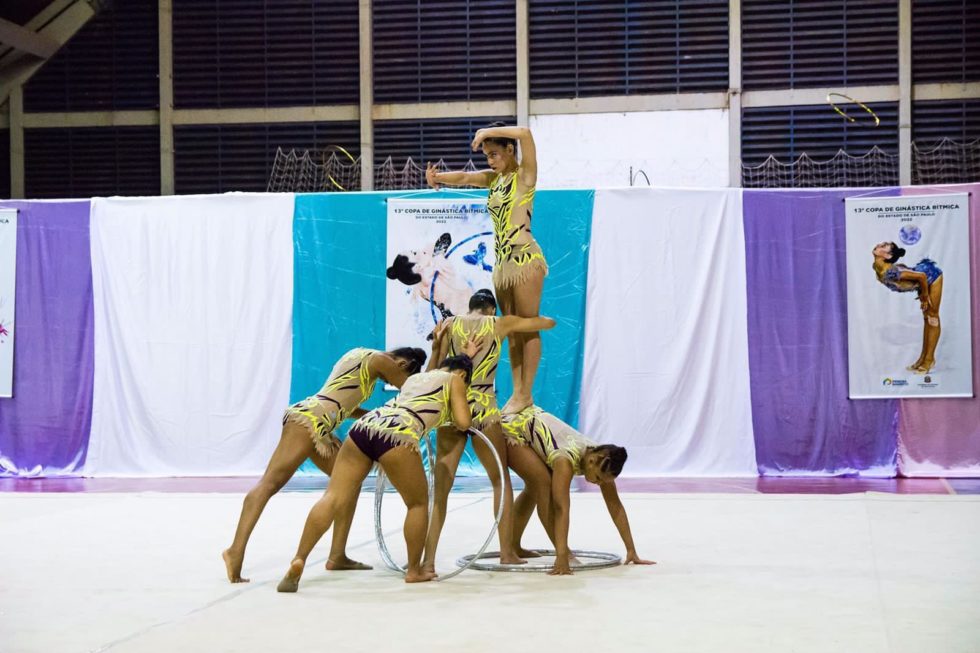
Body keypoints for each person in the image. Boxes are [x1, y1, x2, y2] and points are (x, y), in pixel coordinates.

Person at [222, 346, 426, 583]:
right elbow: (413, 390)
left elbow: (341, 402)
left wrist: (371, 416)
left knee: (350, 482)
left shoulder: (358, 354)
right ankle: (235, 550)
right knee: (270, 484)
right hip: (309, 420)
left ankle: (337, 555)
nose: (387, 377)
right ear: (402, 363)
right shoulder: (381, 360)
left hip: (318, 424)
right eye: (402, 370)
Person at [277, 353, 476, 591]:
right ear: (463, 374)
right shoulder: (454, 380)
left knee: (332, 497)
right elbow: (464, 422)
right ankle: (414, 570)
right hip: (399, 432)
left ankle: (299, 557)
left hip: (365, 427)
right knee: (418, 504)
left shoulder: (416, 379)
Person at [422, 289, 557, 571]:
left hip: (452, 405)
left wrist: (437, 347)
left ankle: (429, 562)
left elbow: (431, 373)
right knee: (500, 480)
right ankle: (506, 552)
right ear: (491, 308)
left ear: (469, 306)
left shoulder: (449, 325)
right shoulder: (498, 323)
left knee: (441, 488)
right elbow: (546, 323)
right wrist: (524, 312)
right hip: (483, 406)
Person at [426, 122, 546, 414]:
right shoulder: (495, 180)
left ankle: (525, 392)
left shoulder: (525, 176)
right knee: (511, 330)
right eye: (487, 155)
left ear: (509, 149)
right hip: (503, 264)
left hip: (525, 259)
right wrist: (438, 177)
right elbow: (466, 177)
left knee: (527, 329)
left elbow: (526, 134)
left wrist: (483, 133)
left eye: (495, 153)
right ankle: (518, 392)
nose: (491, 160)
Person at [501, 406, 655, 575]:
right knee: (542, 484)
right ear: (592, 461)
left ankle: (514, 544)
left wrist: (631, 549)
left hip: (530, 422)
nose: (598, 484)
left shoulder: (603, 458)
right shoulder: (565, 461)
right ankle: (521, 548)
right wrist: (562, 555)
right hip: (511, 429)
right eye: (598, 478)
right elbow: (559, 509)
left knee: (535, 486)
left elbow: (615, 506)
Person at [872, 241, 944, 374]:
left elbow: (922, 276)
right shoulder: (878, 267)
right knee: (927, 319)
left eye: (882, 246)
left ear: (887, 256)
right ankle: (923, 358)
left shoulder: (891, 272)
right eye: (881, 245)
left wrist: (924, 296)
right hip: (920, 283)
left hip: (932, 277)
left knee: (932, 317)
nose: (878, 244)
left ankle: (929, 360)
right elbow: (911, 275)